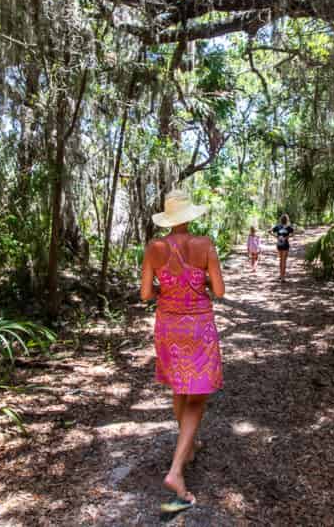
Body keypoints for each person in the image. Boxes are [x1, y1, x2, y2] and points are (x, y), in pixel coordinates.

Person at [140, 189, 225, 514]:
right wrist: (197, 282)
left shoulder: (154, 247)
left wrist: (170, 286)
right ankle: (176, 472)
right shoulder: (204, 245)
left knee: (180, 387)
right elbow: (218, 290)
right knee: (197, 395)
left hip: (167, 325)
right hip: (198, 326)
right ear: (189, 216)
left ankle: (188, 447)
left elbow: (146, 293)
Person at [271, 214, 295, 281]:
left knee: (281, 260)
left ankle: (280, 275)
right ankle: (283, 277)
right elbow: (293, 233)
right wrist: (286, 237)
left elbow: (269, 231)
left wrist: (277, 237)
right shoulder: (288, 227)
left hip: (279, 244)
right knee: (284, 261)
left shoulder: (278, 226)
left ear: (281, 220)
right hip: (285, 245)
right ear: (287, 220)